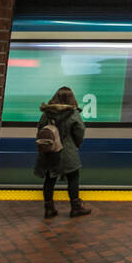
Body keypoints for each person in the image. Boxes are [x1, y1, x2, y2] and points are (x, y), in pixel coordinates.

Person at [33, 86, 90, 218]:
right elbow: (80, 130)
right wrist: (75, 144)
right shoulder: (73, 113)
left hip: (50, 152)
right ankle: (76, 208)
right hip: (67, 151)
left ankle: (49, 208)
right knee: (73, 178)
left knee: (49, 179)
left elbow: (40, 129)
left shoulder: (46, 113)